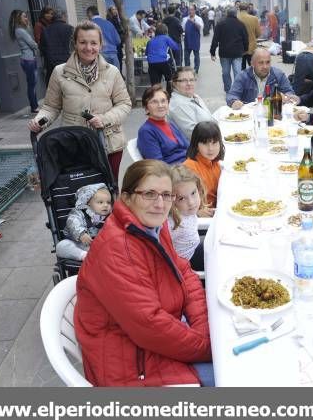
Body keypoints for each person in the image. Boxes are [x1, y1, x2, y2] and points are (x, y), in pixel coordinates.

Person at [74, 159, 213, 386]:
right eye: (149, 194)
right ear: (126, 198)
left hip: (158, 335)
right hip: (132, 363)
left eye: (167, 195)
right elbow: (150, 326)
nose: (160, 204)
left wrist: (203, 328)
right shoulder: (118, 249)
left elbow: (183, 272)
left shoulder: (151, 226)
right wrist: (208, 347)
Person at [28, 21, 132, 181]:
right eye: (83, 42)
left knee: (108, 194)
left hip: (109, 144)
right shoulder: (59, 72)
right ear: (75, 44)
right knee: (80, 193)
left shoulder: (112, 72)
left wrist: (104, 120)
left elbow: (124, 104)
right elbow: (51, 106)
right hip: (74, 143)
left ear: (101, 45)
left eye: (93, 43)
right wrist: (40, 121)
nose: (88, 48)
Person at [226, 48, 298, 109]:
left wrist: (285, 97)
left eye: (268, 62)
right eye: (261, 63)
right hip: (249, 115)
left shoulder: (279, 75)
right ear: (252, 63)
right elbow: (232, 95)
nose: (265, 66)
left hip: (272, 113)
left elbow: (290, 93)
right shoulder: (243, 76)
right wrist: (234, 102)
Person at [56, 183, 112, 261]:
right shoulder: (79, 213)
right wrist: (81, 234)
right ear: (88, 202)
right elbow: (72, 222)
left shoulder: (110, 216)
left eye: (108, 202)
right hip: (80, 245)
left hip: (100, 247)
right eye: (100, 202)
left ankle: (99, 256)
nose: (105, 205)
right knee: (61, 246)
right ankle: (83, 256)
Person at [168, 165, 207, 271]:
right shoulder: (172, 224)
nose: (191, 202)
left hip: (194, 246)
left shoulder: (186, 211)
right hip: (189, 262)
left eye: (193, 193)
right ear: (172, 201)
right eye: (181, 198)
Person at [137, 84, 188, 164]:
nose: (160, 105)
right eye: (154, 102)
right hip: (175, 172)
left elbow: (188, 147)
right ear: (146, 108)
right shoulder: (146, 131)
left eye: (163, 101)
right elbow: (158, 166)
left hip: (189, 165)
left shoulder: (170, 124)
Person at [183, 121, 224, 210]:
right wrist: (197, 212)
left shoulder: (214, 162)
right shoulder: (189, 168)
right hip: (204, 214)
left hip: (218, 205)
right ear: (196, 145)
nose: (211, 149)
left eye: (215, 143)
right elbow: (181, 201)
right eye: (205, 143)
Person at [168, 67, 215, 139]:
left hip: (210, 136)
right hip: (199, 144)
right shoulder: (178, 104)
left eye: (191, 80)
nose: (189, 83)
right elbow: (193, 133)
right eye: (184, 81)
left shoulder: (194, 96)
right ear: (174, 84)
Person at [210, 8, 248, 93]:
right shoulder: (241, 24)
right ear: (236, 14)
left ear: (227, 13)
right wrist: (245, 49)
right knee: (237, 72)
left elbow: (215, 39)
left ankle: (228, 90)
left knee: (225, 72)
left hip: (224, 53)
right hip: (237, 52)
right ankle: (238, 89)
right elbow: (245, 38)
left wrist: (212, 52)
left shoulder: (220, 24)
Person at [9, 10, 40, 113]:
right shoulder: (21, 31)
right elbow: (33, 44)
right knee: (32, 85)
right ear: (18, 19)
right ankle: (34, 107)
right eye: (24, 17)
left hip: (28, 59)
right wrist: (36, 45)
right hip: (28, 60)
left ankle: (34, 106)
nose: (26, 18)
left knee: (32, 84)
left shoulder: (19, 30)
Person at [40, 9, 73, 87]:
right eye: (66, 16)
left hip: (51, 66)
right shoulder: (70, 29)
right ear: (63, 17)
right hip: (68, 65)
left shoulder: (45, 30)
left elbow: (42, 48)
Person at [145, 23, 180, 92]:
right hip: (162, 62)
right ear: (166, 32)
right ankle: (169, 94)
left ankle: (156, 94)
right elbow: (176, 47)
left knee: (155, 82)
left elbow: (146, 53)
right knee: (169, 78)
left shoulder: (150, 40)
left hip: (151, 63)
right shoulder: (166, 38)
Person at [237, 3, 261, 70]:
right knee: (253, 66)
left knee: (241, 67)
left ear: (239, 9)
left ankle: (242, 80)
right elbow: (258, 33)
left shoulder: (236, 18)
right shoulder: (254, 19)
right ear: (248, 9)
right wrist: (253, 37)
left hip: (239, 47)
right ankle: (253, 79)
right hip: (251, 46)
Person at [182, 5, 204, 74]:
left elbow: (200, 28)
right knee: (186, 56)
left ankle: (196, 69)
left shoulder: (198, 18)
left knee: (196, 56)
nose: (190, 11)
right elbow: (183, 29)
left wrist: (194, 22)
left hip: (195, 40)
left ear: (195, 10)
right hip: (187, 40)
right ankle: (187, 69)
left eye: (192, 10)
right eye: (189, 10)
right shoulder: (185, 19)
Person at [107, 6, 125, 73]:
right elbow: (115, 31)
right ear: (110, 11)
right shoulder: (110, 20)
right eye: (113, 9)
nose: (115, 11)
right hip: (114, 43)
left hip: (119, 43)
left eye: (116, 9)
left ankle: (120, 73)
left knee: (120, 59)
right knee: (116, 60)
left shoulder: (117, 19)